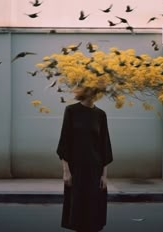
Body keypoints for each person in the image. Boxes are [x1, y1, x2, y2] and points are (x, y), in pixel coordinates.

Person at [57, 87, 113, 232]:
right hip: (77, 169)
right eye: (90, 90)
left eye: (95, 90)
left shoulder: (100, 114)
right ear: (83, 91)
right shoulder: (71, 111)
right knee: (78, 213)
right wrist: (66, 171)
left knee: (94, 213)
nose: (93, 93)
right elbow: (65, 142)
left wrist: (104, 175)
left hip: (95, 169)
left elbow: (104, 146)